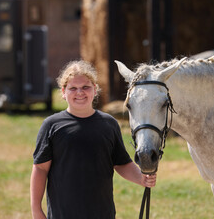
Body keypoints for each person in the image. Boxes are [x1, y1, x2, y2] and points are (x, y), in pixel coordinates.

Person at [30, 60, 156, 219]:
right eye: (73, 88)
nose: (80, 92)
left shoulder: (109, 124)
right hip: (63, 213)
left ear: (95, 89)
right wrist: (36, 210)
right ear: (63, 91)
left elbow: (121, 163)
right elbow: (40, 169)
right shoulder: (52, 125)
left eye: (85, 87)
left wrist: (141, 178)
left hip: (102, 213)